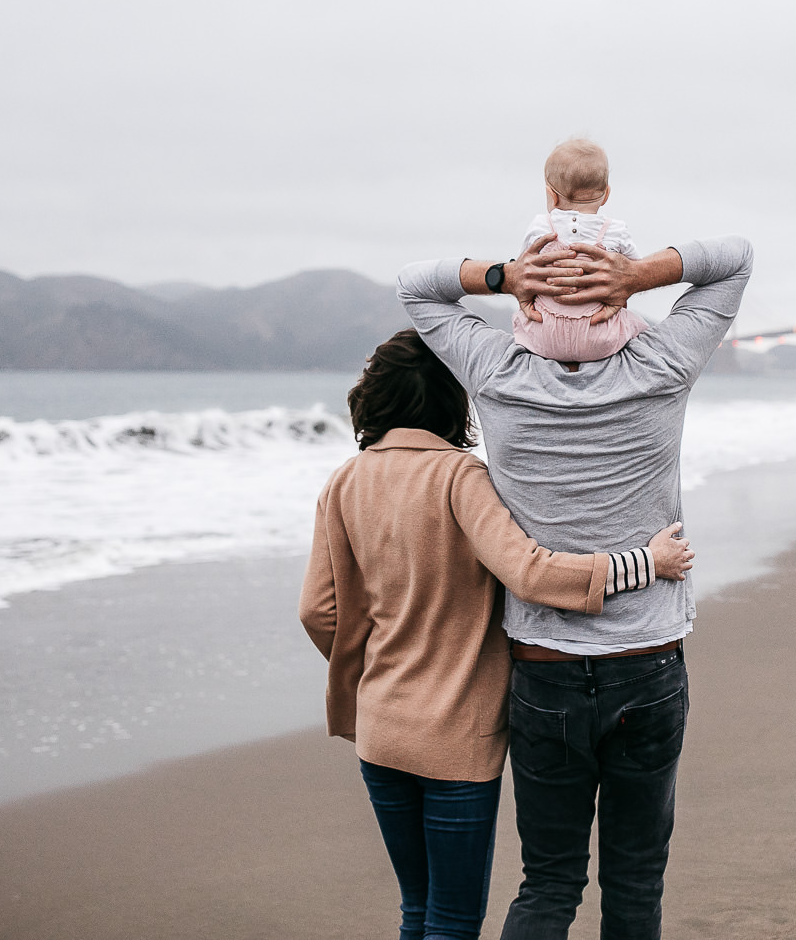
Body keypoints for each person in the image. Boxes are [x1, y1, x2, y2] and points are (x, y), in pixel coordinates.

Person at [399, 226, 752, 940]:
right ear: (616, 300)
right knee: (635, 881)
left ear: (531, 307)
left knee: (550, 882)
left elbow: (416, 285)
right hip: (647, 663)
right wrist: (637, 275)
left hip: (544, 672)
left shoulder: (494, 371)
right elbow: (735, 258)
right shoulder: (661, 364)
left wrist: (506, 277)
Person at [299, 329, 693, 940]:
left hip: (380, 727)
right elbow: (529, 572)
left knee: (416, 911)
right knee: (454, 922)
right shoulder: (460, 478)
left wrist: (380, 669)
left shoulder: (345, 481)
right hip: (456, 732)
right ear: (452, 401)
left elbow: (318, 612)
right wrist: (645, 562)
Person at [511, 137, 648, 364]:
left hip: (545, 335)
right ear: (606, 194)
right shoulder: (616, 230)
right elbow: (638, 274)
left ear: (551, 195)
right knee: (638, 327)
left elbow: (520, 270)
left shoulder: (540, 226)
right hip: (598, 334)